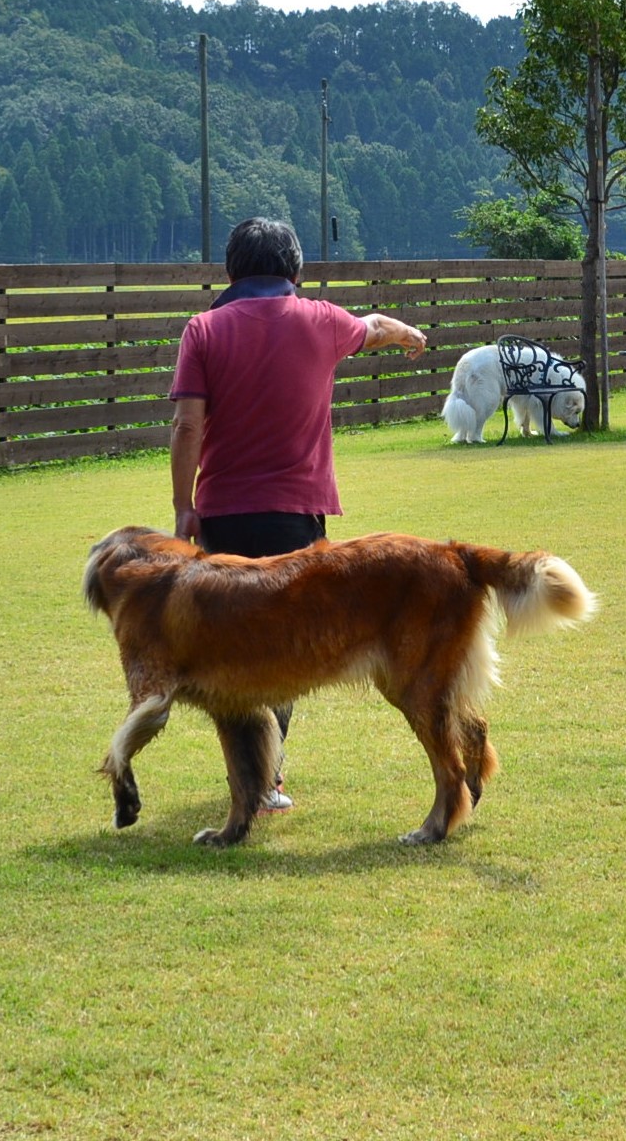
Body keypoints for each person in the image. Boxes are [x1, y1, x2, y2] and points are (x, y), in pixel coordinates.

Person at [168, 217, 427, 811]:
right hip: (297, 515)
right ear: (295, 270)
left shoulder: (202, 329)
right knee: (281, 646)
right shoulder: (323, 320)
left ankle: (247, 778)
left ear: (231, 271)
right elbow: (376, 326)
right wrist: (410, 335)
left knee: (231, 649)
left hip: (223, 514)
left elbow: (187, 424)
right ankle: (270, 777)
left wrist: (185, 507)